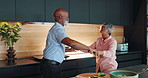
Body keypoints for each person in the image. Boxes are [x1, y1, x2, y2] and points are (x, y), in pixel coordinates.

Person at [40, 8, 96, 78]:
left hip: (50, 64)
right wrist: (88, 48)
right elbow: (71, 43)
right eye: (66, 17)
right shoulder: (58, 29)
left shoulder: (58, 28)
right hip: (51, 65)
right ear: (60, 17)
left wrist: (68, 50)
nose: (68, 19)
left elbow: (55, 47)